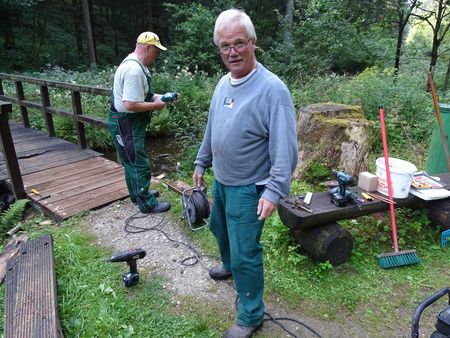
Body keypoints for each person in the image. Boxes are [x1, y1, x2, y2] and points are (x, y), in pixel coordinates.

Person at [192, 9, 298, 338]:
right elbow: (214, 127)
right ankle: (228, 265)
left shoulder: (273, 90)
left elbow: (286, 149)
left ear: (253, 43)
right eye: (225, 46)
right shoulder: (223, 84)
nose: (232, 52)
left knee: (246, 252)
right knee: (218, 228)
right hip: (222, 180)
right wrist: (201, 161)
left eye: (239, 43)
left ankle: (251, 315)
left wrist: (274, 190)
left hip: (250, 188)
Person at [108, 32, 172, 214]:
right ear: (147, 48)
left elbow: (142, 95)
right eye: (156, 51)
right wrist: (156, 106)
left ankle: (138, 194)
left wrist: (163, 98)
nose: (157, 55)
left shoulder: (135, 64)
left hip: (125, 122)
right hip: (126, 123)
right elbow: (130, 104)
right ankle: (147, 204)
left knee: (130, 160)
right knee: (138, 163)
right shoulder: (134, 70)